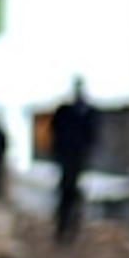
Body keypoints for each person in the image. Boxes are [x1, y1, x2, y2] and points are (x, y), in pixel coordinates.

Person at [50, 79, 100, 245]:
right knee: (67, 193)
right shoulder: (66, 112)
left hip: (77, 159)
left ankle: (70, 227)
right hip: (68, 158)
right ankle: (64, 228)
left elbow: (92, 135)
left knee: (72, 193)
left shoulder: (87, 112)